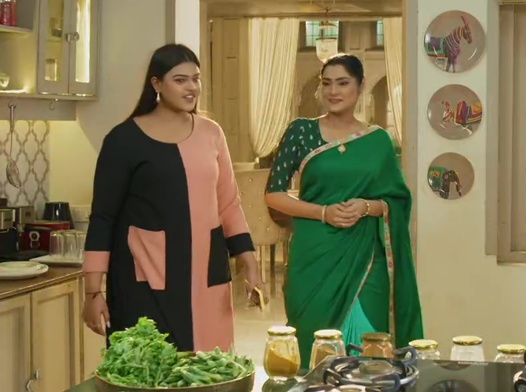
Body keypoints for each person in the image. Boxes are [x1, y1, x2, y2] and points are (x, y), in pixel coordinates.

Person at [82, 43, 262, 352]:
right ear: (157, 84)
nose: (192, 87)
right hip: (143, 281)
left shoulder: (211, 133)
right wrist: (92, 293)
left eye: (196, 78)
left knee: (206, 369)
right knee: (148, 370)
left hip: (206, 277)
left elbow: (229, 203)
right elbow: (104, 218)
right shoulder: (123, 140)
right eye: (180, 80)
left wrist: (250, 261)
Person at [265, 53, 424, 368]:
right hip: (315, 255)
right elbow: (274, 195)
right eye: (327, 83)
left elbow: (397, 200)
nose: (333, 91)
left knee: (370, 349)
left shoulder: (378, 141)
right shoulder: (301, 132)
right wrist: (323, 212)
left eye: (342, 83)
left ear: (360, 86)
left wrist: (366, 206)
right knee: (313, 345)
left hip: (367, 256)